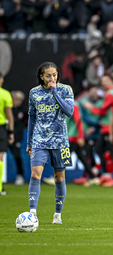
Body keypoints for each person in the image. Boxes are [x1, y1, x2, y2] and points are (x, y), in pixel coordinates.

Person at [26, 62, 74, 224]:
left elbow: (69, 112)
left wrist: (54, 92)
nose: (52, 78)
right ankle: (32, 213)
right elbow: (32, 117)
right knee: (35, 174)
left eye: (54, 75)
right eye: (48, 75)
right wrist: (29, 142)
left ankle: (57, 215)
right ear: (41, 77)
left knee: (59, 177)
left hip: (60, 142)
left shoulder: (65, 90)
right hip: (40, 141)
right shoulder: (34, 93)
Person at [0, 72, 14, 195]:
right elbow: (9, 115)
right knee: (0, 157)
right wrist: (11, 132)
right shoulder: (4, 94)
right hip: (1, 128)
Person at [10, 90, 27, 185]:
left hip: (17, 137)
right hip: (6, 135)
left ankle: (20, 175)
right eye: (16, 99)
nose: (17, 101)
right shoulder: (8, 109)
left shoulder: (23, 110)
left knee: (17, 156)